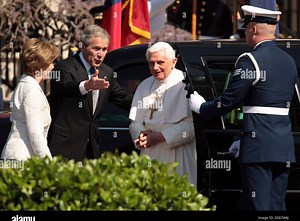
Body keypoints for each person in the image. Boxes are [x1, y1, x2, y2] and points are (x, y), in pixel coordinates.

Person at [188, 5, 298, 210]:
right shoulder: (289, 61)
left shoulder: (250, 60)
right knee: (276, 206)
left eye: (246, 28)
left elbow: (230, 100)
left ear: (253, 30)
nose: (245, 33)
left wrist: (202, 107)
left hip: (258, 147)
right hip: (283, 145)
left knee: (258, 205)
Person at [48, 25, 133, 161]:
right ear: (83, 46)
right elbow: (64, 87)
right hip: (64, 147)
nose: (100, 54)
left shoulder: (106, 72)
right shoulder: (64, 67)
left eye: (104, 49)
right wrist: (87, 85)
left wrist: (149, 103)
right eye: (96, 48)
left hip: (91, 148)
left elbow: (123, 98)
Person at [129, 42, 197, 187]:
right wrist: (140, 135)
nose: (155, 68)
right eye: (151, 63)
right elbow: (135, 122)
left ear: (174, 62)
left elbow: (193, 126)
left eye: (160, 62)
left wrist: (160, 137)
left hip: (178, 155)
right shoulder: (144, 85)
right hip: (150, 154)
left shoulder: (186, 84)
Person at [1, 38, 59, 161]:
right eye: (50, 62)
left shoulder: (25, 84)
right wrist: (48, 163)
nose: (53, 66)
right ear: (40, 64)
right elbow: (35, 134)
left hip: (15, 154)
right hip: (23, 157)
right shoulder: (31, 90)